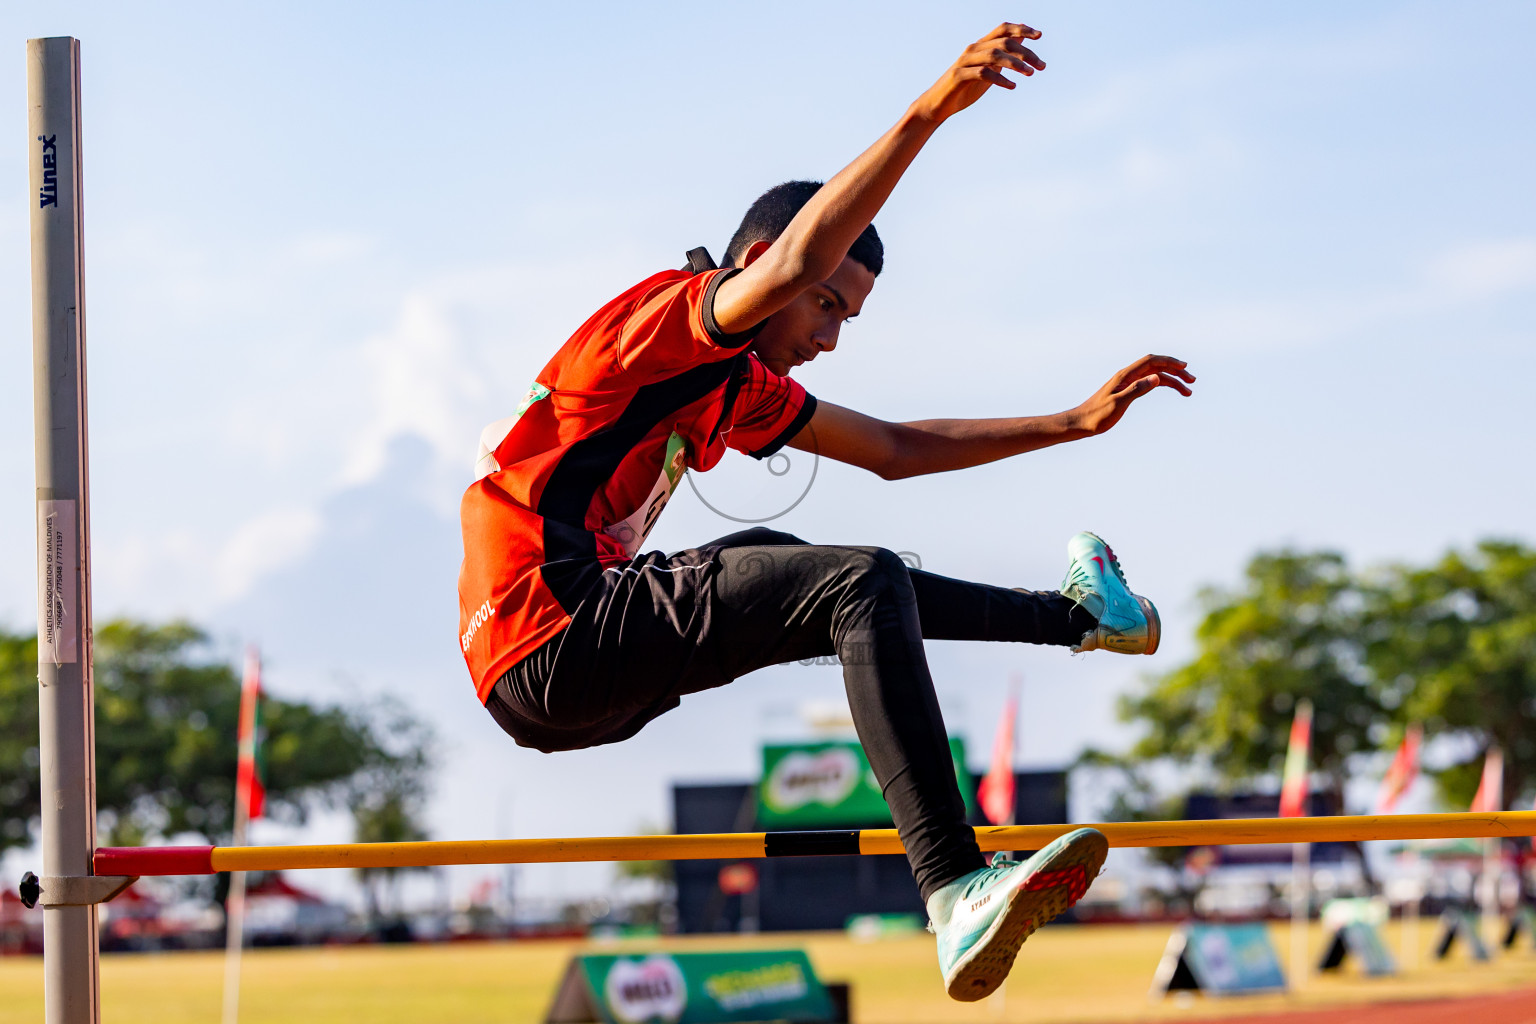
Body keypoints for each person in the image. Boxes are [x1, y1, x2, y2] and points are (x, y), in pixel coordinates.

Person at [458, 21, 1194, 1001]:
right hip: (550, 635)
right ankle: (954, 888)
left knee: (801, 563)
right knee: (853, 580)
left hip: (562, 677)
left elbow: (894, 451)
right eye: (829, 309)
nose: (831, 337)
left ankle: (1079, 617)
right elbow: (800, 263)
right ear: (762, 264)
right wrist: (932, 108)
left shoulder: (734, 387)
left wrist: (1073, 420)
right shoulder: (664, 324)